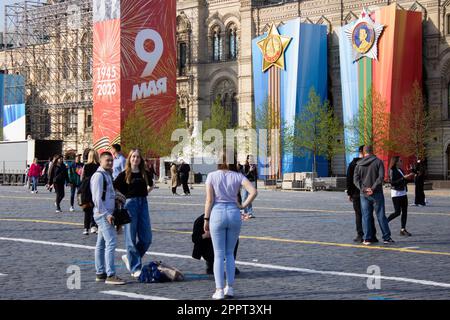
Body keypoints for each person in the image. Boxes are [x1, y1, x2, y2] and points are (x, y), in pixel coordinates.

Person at [204, 150, 257, 300]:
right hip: (234, 213)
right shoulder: (238, 176)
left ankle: (219, 289)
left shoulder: (212, 176)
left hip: (217, 214)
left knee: (218, 254)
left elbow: (209, 200)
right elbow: (253, 191)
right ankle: (230, 288)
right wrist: (243, 205)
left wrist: (206, 219)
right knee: (229, 253)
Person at [114, 149, 153, 278]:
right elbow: (114, 189)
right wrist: (121, 201)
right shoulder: (124, 174)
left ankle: (129, 257)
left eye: (138, 157)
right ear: (129, 159)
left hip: (143, 204)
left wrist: (147, 190)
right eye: (133, 157)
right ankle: (135, 268)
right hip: (130, 205)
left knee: (146, 238)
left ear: (141, 159)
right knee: (130, 237)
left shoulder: (145, 173)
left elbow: (150, 186)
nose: (135, 159)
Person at [91, 151, 126, 285]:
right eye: (107, 160)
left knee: (101, 244)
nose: (110, 163)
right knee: (111, 243)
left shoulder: (107, 175)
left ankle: (100, 273)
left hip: (108, 213)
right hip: (104, 215)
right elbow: (96, 199)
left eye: (112, 160)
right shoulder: (99, 176)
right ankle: (111, 275)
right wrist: (107, 215)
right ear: (100, 161)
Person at [353, 146, 394, 245]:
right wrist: (373, 188)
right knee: (381, 215)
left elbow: (355, 180)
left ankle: (367, 238)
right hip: (377, 193)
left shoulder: (358, 164)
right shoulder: (378, 162)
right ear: (372, 151)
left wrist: (364, 189)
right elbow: (381, 177)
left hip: (364, 194)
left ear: (363, 152)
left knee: (366, 216)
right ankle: (386, 237)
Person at [346, 146, 377, 243]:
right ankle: (372, 235)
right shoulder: (372, 162)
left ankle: (360, 235)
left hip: (356, 193)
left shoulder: (353, 164)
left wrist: (349, 193)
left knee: (359, 215)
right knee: (369, 214)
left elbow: (349, 180)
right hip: (368, 192)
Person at [387, 156, 415, 236]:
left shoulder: (400, 170)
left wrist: (410, 177)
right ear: (396, 162)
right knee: (397, 212)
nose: (402, 162)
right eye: (400, 161)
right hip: (396, 193)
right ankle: (385, 222)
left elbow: (404, 180)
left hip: (403, 192)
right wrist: (403, 178)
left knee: (405, 211)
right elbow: (393, 183)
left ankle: (403, 229)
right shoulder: (392, 170)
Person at [80, 149, 100, 235]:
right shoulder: (98, 166)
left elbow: (81, 178)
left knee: (87, 209)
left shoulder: (86, 166)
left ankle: (85, 228)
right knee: (95, 208)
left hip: (86, 190)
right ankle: (94, 226)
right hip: (95, 189)